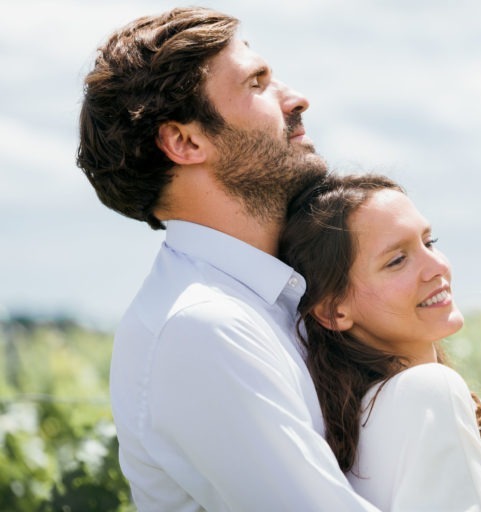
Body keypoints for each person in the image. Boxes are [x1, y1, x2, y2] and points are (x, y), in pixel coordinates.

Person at [76, 7, 379, 511]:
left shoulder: (273, 300)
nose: (297, 98)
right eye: (257, 83)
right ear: (186, 141)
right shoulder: (202, 328)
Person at [279, 173, 481, 511]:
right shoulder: (428, 392)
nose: (437, 266)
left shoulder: (356, 421)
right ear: (333, 310)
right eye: (397, 260)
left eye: (429, 242)